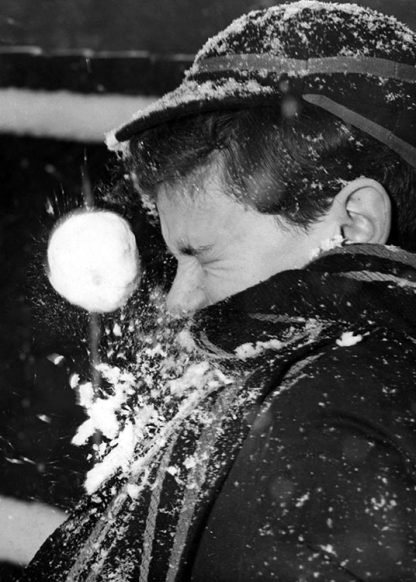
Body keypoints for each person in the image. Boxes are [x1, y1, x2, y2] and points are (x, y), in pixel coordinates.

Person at [22, 1, 416, 580]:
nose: (178, 302)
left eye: (201, 255)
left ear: (354, 224)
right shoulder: (295, 396)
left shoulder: (330, 416)